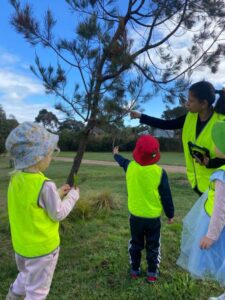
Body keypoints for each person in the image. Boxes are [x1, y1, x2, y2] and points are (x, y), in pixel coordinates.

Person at [5, 122, 80, 300]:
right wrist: (72, 197)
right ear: (37, 157)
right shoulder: (45, 185)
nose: (51, 158)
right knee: (37, 291)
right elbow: (58, 213)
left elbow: (32, 203)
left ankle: (12, 297)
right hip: (42, 251)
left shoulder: (15, 179)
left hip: (22, 247)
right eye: (49, 154)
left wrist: (58, 193)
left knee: (25, 275)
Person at [130, 81, 225, 195]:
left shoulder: (221, 122)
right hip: (198, 183)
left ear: (204, 104)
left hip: (218, 185)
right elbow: (167, 124)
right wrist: (141, 116)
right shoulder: (190, 117)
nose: (187, 103)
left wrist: (210, 163)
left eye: (191, 100)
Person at [113, 134, 174, 283]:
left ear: (137, 152)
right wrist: (170, 214)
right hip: (153, 218)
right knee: (153, 246)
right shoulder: (160, 173)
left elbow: (122, 161)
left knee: (136, 244)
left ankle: (135, 270)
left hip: (135, 217)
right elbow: (166, 196)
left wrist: (116, 154)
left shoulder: (130, 167)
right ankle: (152, 273)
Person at [176, 121, 225, 300]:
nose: (213, 145)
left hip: (218, 227)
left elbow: (220, 210)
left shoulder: (222, 176)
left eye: (217, 142)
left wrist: (211, 235)